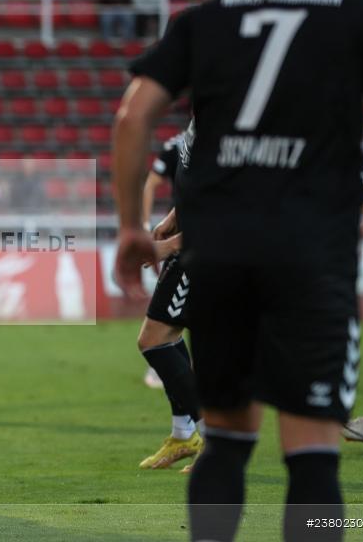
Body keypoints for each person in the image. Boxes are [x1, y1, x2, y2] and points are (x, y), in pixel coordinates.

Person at [112, 0, 363, 540]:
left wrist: (131, 224)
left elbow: (133, 116)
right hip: (313, 253)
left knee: (227, 443)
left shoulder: (210, 15)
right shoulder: (361, 13)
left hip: (220, 252)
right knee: (312, 454)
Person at [137, 123, 203, 472]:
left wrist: (168, 245)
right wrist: (173, 217)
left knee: (154, 340)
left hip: (203, 246)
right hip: (188, 239)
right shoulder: (201, 120)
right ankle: (183, 433)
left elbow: (223, 202)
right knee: (166, 338)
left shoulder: (228, 120)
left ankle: (210, 438)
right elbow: (194, 184)